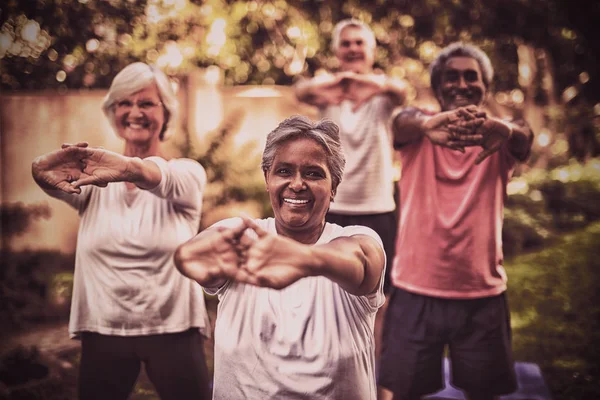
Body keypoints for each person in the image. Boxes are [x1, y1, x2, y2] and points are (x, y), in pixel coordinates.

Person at [31, 62, 211, 400]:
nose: (134, 112)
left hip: (173, 330)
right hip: (104, 329)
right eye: (124, 104)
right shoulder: (92, 183)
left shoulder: (186, 174)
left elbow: (158, 176)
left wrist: (128, 167)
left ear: (166, 113)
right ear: (113, 112)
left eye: (146, 103)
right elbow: (51, 178)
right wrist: (39, 170)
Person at [174, 115, 386, 400]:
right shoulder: (241, 234)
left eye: (313, 173)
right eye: (284, 171)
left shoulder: (358, 239)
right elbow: (190, 257)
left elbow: (359, 261)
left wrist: (302, 259)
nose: (297, 184)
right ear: (267, 180)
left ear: (334, 186)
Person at [377, 42, 534, 400]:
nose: (461, 84)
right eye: (451, 77)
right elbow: (401, 122)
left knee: (485, 393)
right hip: (415, 290)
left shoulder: (500, 137)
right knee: (401, 392)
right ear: (437, 87)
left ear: (485, 86)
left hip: (482, 294)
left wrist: (505, 130)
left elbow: (524, 134)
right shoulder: (418, 130)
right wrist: (428, 123)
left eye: (470, 76)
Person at [294, 18, 407, 295]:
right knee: (326, 291)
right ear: (337, 52)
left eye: (360, 43)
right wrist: (341, 83)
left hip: (377, 207)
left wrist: (368, 82)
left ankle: (375, 342)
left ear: (372, 51)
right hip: (331, 206)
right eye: (346, 43)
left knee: (379, 293)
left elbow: (402, 91)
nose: (353, 48)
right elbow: (301, 91)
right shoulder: (327, 91)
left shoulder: (383, 96)